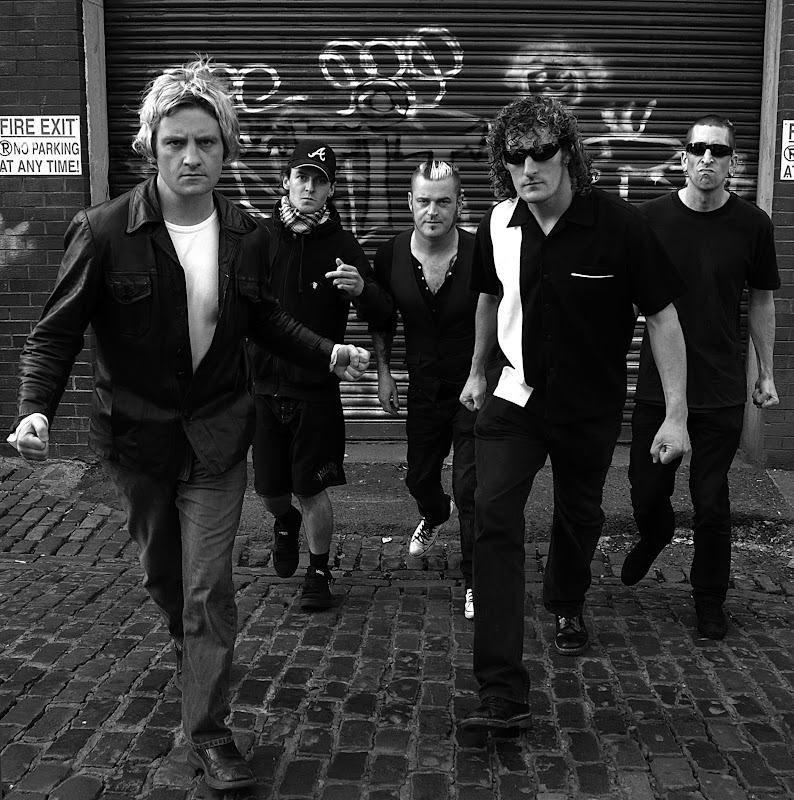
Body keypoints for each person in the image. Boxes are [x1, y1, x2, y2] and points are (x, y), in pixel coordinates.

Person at [7, 59, 370, 792]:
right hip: (137, 440)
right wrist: (34, 408)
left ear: (226, 148)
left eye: (206, 142)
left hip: (217, 435)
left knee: (208, 590)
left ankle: (208, 730)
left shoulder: (246, 234)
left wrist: (327, 351)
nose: (192, 156)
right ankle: (190, 643)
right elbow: (54, 334)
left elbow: (264, 318)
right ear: (151, 144)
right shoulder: (105, 231)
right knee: (165, 580)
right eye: (176, 142)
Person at [457, 95, 690, 736]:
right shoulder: (498, 223)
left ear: (568, 153)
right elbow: (488, 298)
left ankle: (566, 599)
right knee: (493, 516)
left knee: (579, 514)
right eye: (515, 156)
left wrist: (675, 414)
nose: (528, 167)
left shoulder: (621, 225)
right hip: (516, 397)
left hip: (590, 405)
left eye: (541, 152)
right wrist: (476, 371)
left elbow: (663, 317)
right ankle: (502, 691)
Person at [622, 115, 781, 640]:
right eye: (698, 148)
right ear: (684, 158)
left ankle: (709, 600)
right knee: (646, 491)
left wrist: (765, 372)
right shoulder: (648, 219)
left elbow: (761, 300)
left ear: (733, 162)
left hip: (718, 388)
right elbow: (625, 300)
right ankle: (656, 533)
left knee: (711, 502)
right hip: (657, 388)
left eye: (719, 150)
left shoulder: (753, 225)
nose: (707, 158)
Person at [248, 139, 392, 611]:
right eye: (302, 177)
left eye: (319, 181)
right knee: (270, 492)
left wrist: (362, 289)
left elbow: (383, 310)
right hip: (265, 386)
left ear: (331, 190)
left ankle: (319, 571)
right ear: (286, 181)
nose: (309, 187)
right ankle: (284, 521)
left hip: (316, 389)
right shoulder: (259, 239)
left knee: (311, 487)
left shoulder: (342, 245)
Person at [370, 160, 479, 619]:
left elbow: (501, 314)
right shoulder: (390, 254)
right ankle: (435, 514)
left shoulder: (480, 251)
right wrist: (383, 372)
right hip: (422, 386)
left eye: (443, 201)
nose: (432, 211)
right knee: (419, 477)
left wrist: (485, 371)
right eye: (424, 201)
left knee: (471, 489)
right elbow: (382, 319)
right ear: (409, 202)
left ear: (459, 204)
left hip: (474, 386)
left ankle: (477, 581)